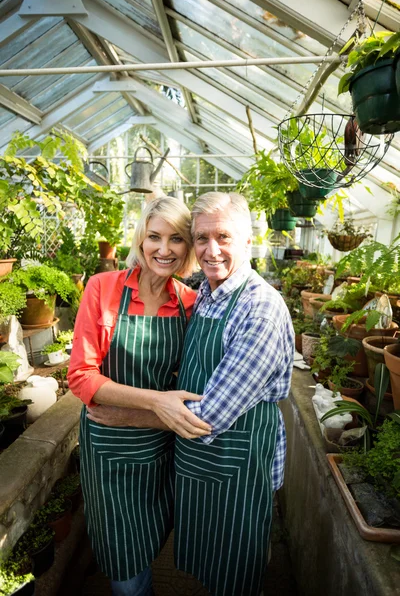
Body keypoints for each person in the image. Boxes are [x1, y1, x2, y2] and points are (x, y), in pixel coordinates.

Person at [67, 197, 211, 596]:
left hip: (161, 448)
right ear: (140, 239)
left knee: (150, 537)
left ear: (188, 249)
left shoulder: (189, 303)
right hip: (109, 452)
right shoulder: (103, 289)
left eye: (176, 239)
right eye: (154, 237)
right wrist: (156, 402)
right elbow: (81, 377)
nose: (163, 249)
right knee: (125, 568)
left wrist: (157, 412)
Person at [173, 192, 295, 596]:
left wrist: (125, 413)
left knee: (238, 574)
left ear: (247, 241)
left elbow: (206, 417)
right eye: (201, 238)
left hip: (236, 465)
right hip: (202, 465)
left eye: (223, 237)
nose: (210, 251)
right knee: (212, 568)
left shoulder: (260, 307)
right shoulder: (206, 294)